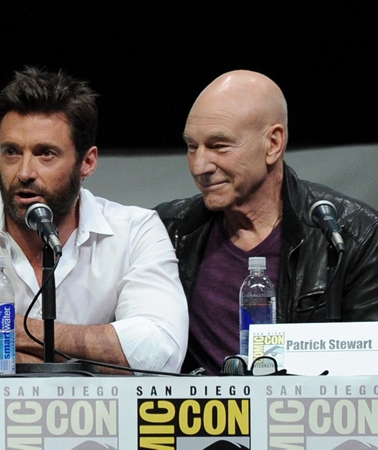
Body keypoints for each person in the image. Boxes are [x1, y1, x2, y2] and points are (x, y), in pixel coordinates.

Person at [0, 67, 188, 377]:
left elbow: (162, 353)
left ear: (87, 162)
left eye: (45, 153)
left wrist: (16, 334)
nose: (24, 172)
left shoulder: (136, 231)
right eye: (11, 152)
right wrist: (99, 362)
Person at [156, 70, 378, 375]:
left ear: (273, 144)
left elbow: (369, 373)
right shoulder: (168, 232)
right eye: (192, 147)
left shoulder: (353, 236)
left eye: (219, 146)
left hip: (307, 416)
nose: (200, 166)